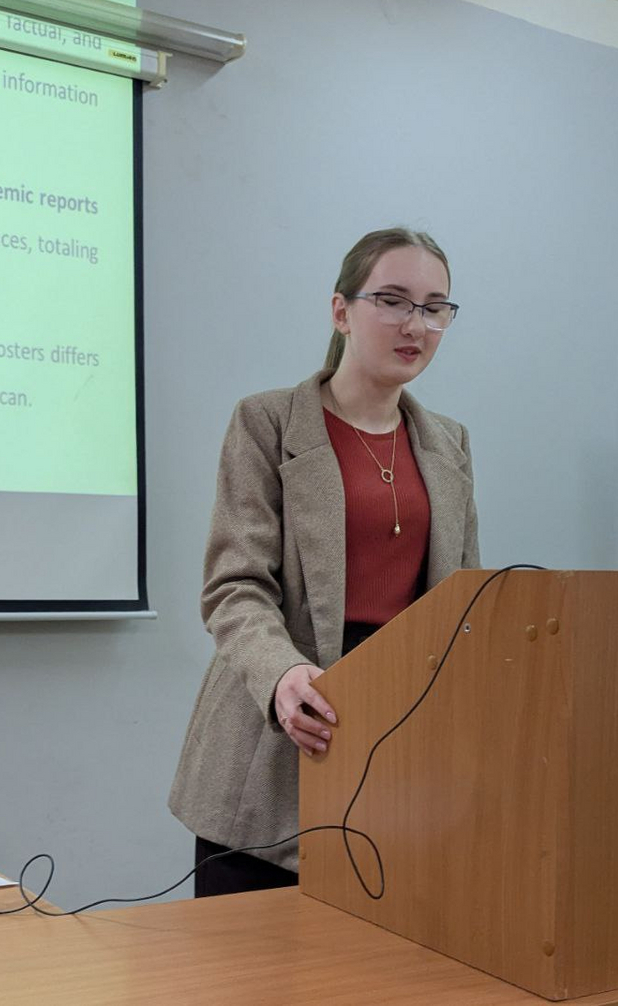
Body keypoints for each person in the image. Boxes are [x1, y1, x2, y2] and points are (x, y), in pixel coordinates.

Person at [168, 227, 480, 896]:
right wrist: (282, 675)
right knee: (246, 957)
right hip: (276, 735)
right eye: (392, 301)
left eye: (435, 308)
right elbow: (234, 586)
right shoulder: (266, 422)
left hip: (399, 748)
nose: (415, 325)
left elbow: (464, 604)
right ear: (341, 311)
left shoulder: (450, 444)